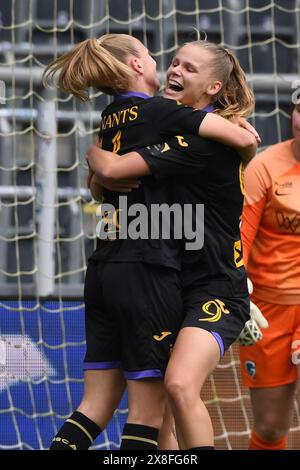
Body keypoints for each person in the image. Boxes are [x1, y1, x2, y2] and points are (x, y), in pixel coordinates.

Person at [86, 39, 257, 450]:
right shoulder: (165, 125)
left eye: (190, 69)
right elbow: (98, 186)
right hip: (169, 283)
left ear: (214, 88)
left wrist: (94, 153)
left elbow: (108, 169)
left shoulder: (203, 140)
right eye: (175, 62)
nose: (175, 71)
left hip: (213, 286)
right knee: (161, 421)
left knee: (179, 386)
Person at [238, 103, 300, 451]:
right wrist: (238, 293)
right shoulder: (264, 166)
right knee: (270, 428)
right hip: (266, 310)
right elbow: (241, 239)